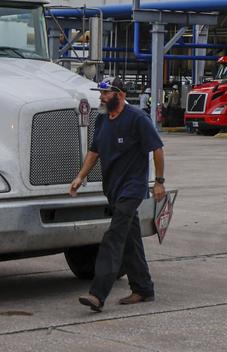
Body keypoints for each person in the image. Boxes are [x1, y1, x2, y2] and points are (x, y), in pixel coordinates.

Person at [69, 77, 165, 312]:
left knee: (114, 237)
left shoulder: (137, 118)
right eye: (100, 93)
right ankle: (143, 288)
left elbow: (157, 148)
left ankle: (98, 294)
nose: (101, 98)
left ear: (120, 95)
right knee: (130, 239)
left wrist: (159, 182)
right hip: (113, 188)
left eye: (105, 94)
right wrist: (80, 177)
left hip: (132, 189)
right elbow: (95, 151)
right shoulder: (102, 119)